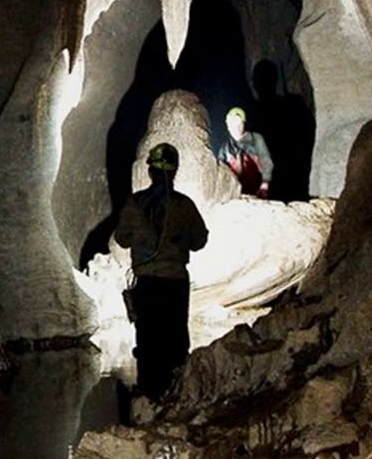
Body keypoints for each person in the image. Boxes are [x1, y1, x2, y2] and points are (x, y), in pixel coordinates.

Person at [114, 142, 209, 401]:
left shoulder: (135, 204)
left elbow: (121, 238)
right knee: (176, 339)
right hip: (174, 281)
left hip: (146, 283)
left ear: (150, 171)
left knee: (147, 341)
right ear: (174, 171)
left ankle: (148, 397)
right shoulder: (183, 205)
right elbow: (200, 240)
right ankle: (176, 397)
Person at [216, 106, 274, 198]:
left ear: (244, 124)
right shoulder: (225, 147)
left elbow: (266, 160)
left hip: (257, 190)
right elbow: (219, 170)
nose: (236, 127)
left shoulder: (256, 139)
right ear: (228, 126)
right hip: (236, 193)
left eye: (239, 123)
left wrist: (265, 183)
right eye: (233, 124)